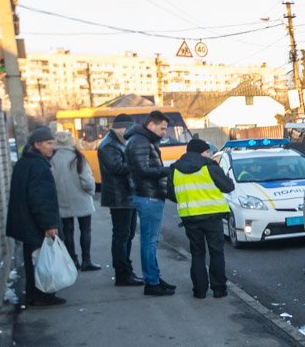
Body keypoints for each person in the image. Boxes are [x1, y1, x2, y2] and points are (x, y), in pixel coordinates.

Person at [167, 138, 234, 298]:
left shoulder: (175, 169)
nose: (209, 155)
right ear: (201, 152)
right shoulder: (209, 166)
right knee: (216, 253)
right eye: (207, 152)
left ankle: (199, 290)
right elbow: (228, 187)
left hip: (190, 217)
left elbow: (172, 195)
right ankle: (219, 289)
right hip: (213, 217)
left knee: (197, 253)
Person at [5, 126, 65, 306]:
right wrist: (49, 225)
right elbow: (41, 199)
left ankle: (33, 295)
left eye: (53, 142)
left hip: (26, 223)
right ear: (37, 145)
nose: (53, 147)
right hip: (36, 224)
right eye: (49, 143)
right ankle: (43, 295)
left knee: (33, 259)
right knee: (42, 260)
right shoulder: (38, 166)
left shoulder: (24, 163)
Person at [126, 109, 175, 297]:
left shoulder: (142, 140)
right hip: (149, 196)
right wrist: (167, 170)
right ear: (151, 125)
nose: (164, 132)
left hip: (149, 195)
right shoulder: (141, 141)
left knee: (151, 241)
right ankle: (152, 283)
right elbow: (143, 170)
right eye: (162, 128)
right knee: (149, 241)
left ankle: (154, 278)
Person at [98, 113, 143, 286]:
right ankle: (122, 274)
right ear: (121, 129)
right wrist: (137, 162)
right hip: (119, 197)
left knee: (127, 235)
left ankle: (126, 271)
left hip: (126, 195)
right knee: (121, 236)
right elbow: (116, 168)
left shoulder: (117, 142)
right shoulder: (109, 145)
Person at [50, 128, 99, 272]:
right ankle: (86, 261)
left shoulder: (51, 158)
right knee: (85, 230)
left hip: (62, 200)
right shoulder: (78, 157)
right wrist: (91, 192)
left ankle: (73, 261)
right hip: (82, 199)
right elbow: (87, 180)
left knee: (67, 231)